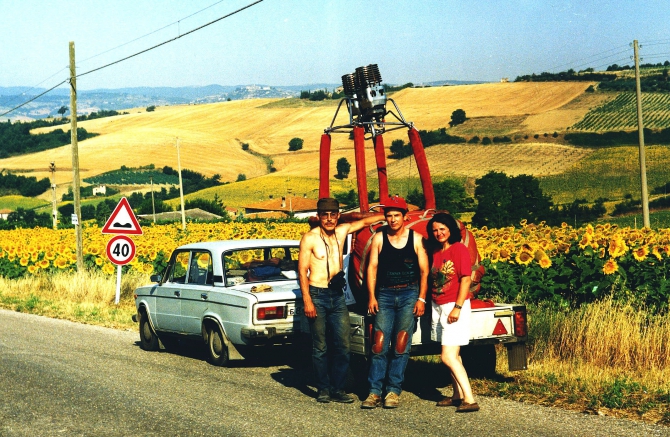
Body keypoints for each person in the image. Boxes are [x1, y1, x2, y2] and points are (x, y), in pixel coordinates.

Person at [298, 197, 383, 403]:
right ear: (318, 217)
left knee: (343, 345)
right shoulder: (309, 238)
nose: (329, 219)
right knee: (320, 346)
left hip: (337, 298)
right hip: (317, 295)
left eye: (333, 215)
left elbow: (363, 222)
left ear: (337, 215)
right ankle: (323, 389)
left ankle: (338, 388)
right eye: (324, 215)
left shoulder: (342, 231)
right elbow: (302, 271)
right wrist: (307, 301)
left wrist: (387, 215)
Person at [361, 196, 429, 409]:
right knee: (379, 343)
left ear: (405, 217)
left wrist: (421, 298)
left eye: (396, 216)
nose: (392, 220)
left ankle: (393, 391)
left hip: (409, 293)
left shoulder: (416, 239)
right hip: (385, 294)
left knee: (401, 343)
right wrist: (371, 296)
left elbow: (424, 271)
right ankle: (373, 392)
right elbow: (371, 268)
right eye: (389, 216)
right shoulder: (379, 239)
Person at [427, 212, 479, 412]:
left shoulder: (459, 249)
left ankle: (470, 399)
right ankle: (457, 395)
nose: (439, 233)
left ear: (450, 230)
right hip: (438, 306)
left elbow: (465, 279)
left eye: (442, 229)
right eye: (435, 230)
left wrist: (457, 307)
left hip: (453, 307)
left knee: (446, 356)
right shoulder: (436, 253)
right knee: (454, 356)